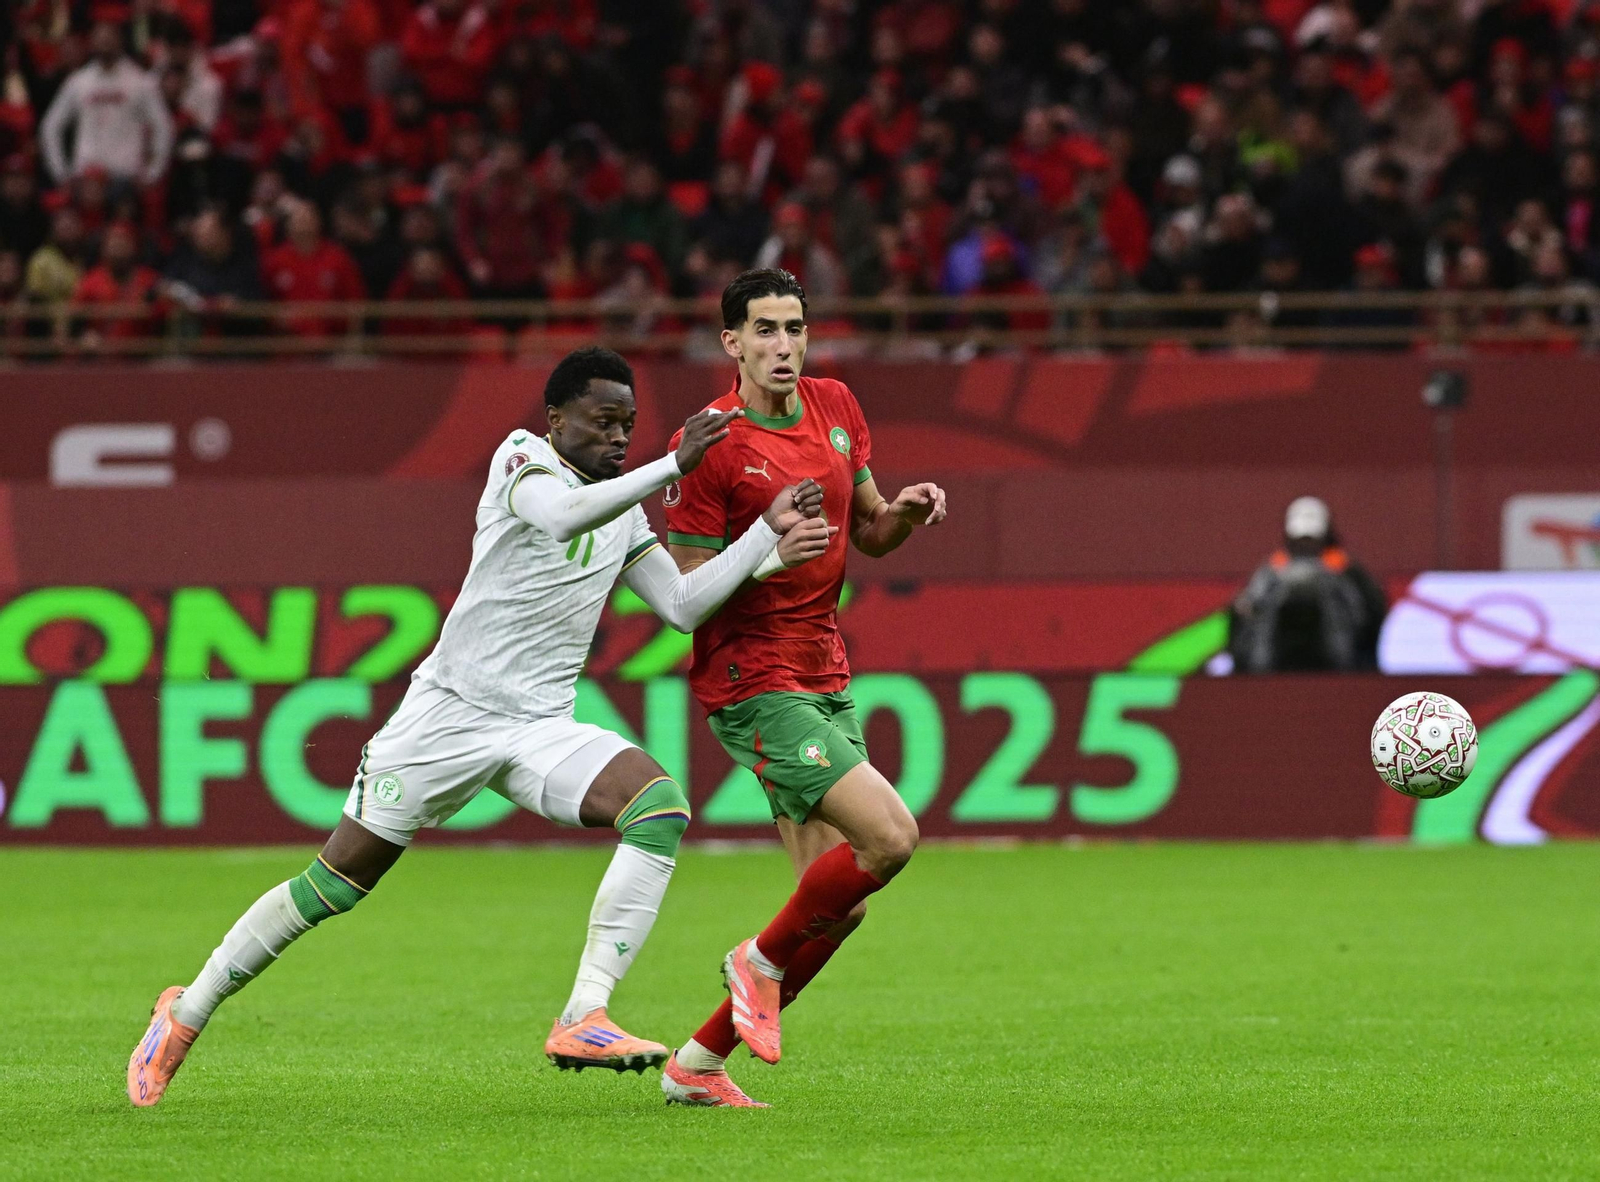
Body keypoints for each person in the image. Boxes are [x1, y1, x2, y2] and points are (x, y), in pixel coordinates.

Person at [128, 347, 835, 1107]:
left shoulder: (621, 507)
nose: (616, 438)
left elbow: (682, 608)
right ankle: (187, 1011)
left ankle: (582, 1013)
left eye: (628, 425)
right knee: (335, 884)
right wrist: (672, 467)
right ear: (556, 419)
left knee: (658, 808)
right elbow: (562, 518)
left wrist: (764, 537)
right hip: (447, 720)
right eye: (602, 422)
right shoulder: (523, 462)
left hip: (539, 726)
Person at [658, 268, 947, 1107]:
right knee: (891, 838)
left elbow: (871, 527)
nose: (784, 346)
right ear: (732, 344)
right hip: (754, 675)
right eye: (765, 331)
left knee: (838, 907)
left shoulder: (836, 407)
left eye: (795, 328)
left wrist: (907, 511)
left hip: (824, 667)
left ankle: (698, 1065)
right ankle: (756, 961)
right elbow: (687, 589)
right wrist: (765, 548)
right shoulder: (710, 441)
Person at [1227, 496, 1388, 674]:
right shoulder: (1272, 568)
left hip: (1337, 660)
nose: (1306, 546)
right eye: (1301, 540)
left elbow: (1371, 610)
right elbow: (1247, 607)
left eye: (1312, 540)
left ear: (1326, 534)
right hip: (1273, 660)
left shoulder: (1346, 568)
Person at [40, 22, 174, 189]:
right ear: (92, 43)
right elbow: (51, 126)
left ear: (120, 41)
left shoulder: (140, 82)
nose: (105, 43)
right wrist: (61, 173)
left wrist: (153, 173)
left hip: (125, 177)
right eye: (101, 39)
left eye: (110, 38)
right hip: (86, 178)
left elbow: (163, 126)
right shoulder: (78, 82)